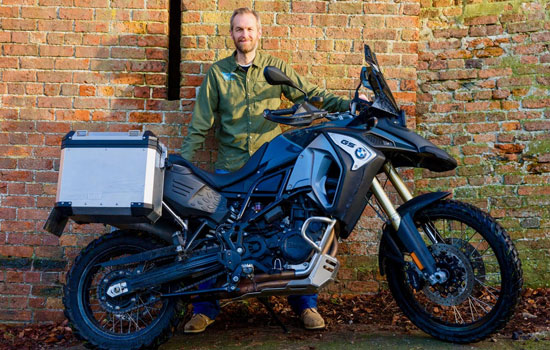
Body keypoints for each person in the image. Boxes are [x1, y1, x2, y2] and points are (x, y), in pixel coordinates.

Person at [180, 7, 357, 333]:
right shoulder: (218, 74)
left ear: (259, 33)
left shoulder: (275, 69)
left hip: (273, 170)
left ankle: (305, 306)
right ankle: (204, 308)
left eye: (249, 29)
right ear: (231, 35)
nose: (244, 35)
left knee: (291, 231)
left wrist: (349, 106)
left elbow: (312, 95)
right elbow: (199, 125)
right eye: (238, 30)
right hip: (231, 171)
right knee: (213, 237)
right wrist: (184, 167)